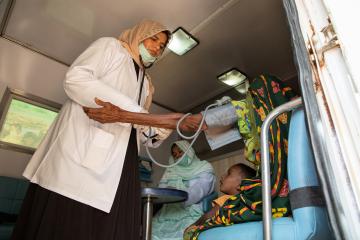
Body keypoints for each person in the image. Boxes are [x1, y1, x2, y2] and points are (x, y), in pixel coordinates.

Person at [11, 20, 198, 240]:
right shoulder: (110, 48)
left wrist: (162, 127)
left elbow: (142, 131)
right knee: (69, 221)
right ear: (139, 35)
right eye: (154, 38)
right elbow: (76, 79)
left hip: (123, 160)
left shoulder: (147, 84)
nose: (157, 47)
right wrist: (144, 116)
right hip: (82, 150)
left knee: (111, 225)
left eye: (162, 46)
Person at [83, 74, 297, 239]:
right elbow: (189, 123)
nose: (176, 155)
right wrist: (123, 116)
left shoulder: (282, 132)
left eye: (254, 101)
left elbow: (190, 123)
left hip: (189, 209)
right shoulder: (257, 122)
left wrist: (121, 116)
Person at [151, 140, 215, 240]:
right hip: (168, 210)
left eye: (180, 152)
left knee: (185, 234)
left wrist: (179, 196)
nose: (177, 156)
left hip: (192, 208)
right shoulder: (171, 169)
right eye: (174, 154)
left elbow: (201, 189)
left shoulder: (203, 167)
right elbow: (162, 188)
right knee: (151, 231)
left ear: (188, 150)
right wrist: (169, 192)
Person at [183, 163, 256, 240]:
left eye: (228, 174)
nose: (222, 176)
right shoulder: (248, 203)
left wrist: (193, 226)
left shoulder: (226, 199)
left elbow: (208, 216)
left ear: (240, 184)